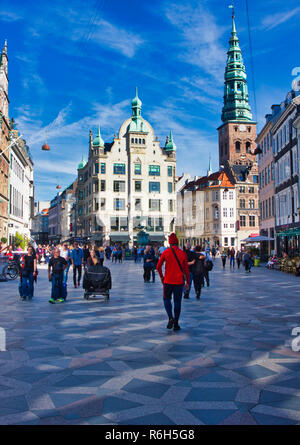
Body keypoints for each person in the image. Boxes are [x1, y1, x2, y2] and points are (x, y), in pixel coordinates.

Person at [157, 233, 189, 331]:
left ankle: (170, 317)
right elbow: (186, 270)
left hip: (168, 281)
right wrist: (187, 281)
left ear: (170, 242)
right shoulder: (182, 253)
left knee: (166, 299)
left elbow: (158, 266)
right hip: (179, 282)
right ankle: (176, 323)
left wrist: (162, 277)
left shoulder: (165, 253)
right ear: (177, 242)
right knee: (177, 301)